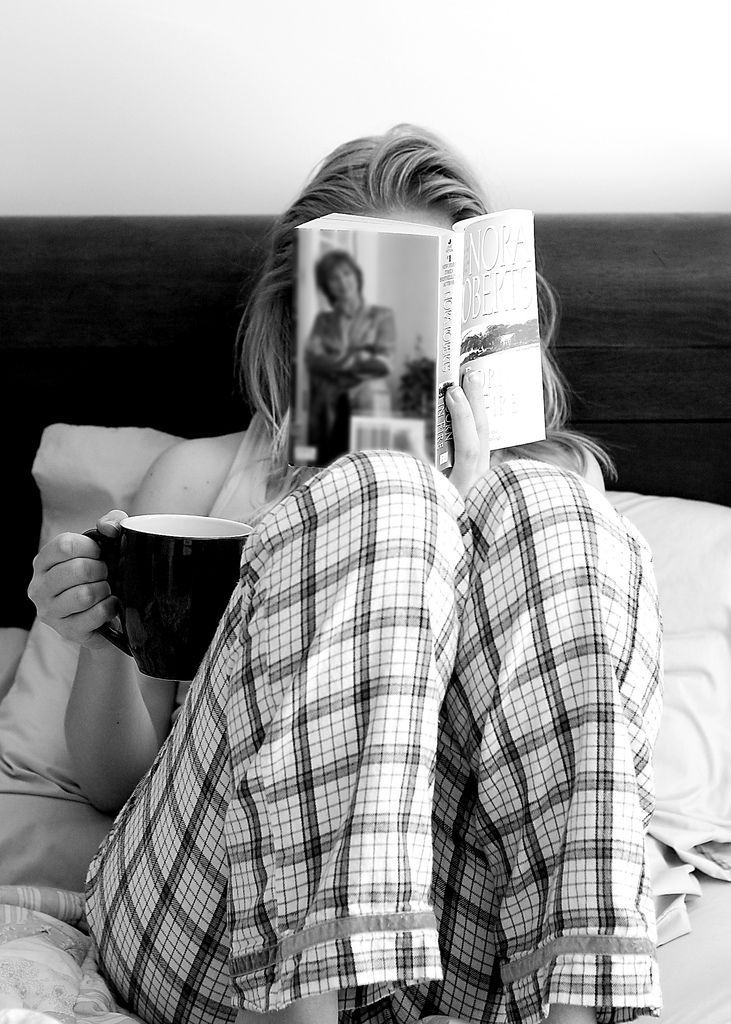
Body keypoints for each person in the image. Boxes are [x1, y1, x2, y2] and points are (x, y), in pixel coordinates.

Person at [27, 124, 662, 1024]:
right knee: (382, 492)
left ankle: (582, 1007)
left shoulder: (548, 493)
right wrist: (94, 638)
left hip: (456, 943)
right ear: (303, 315)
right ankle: (301, 1006)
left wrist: (458, 511)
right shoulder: (201, 479)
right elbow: (113, 784)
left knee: (533, 509)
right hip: (209, 925)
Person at [305, 249, 396, 463]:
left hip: (366, 391)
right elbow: (313, 360)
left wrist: (337, 362)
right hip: (331, 394)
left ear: (356, 276)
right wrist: (354, 357)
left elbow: (384, 362)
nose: (342, 282)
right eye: (334, 278)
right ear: (327, 286)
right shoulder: (324, 321)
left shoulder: (381, 316)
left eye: (346, 274)